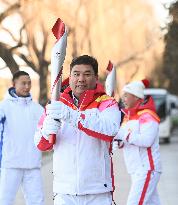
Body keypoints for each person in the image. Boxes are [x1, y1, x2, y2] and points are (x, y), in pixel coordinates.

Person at [34, 55, 121, 205]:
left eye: (87, 74)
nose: (81, 79)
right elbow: (41, 145)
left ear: (96, 78)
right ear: (70, 76)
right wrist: (46, 132)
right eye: (76, 74)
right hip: (64, 192)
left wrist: (71, 116)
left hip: (97, 192)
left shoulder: (107, 103)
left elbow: (110, 130)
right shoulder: (56, 104)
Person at [113, 79, 162, 205]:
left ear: (136, 97)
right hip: (135, 169)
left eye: (126, 95)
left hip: (146, 168)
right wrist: (119, 142)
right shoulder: (128, 117)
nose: (123, 98)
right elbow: (125, 139)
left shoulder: (148, 116)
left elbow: (146, 141)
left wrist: (122, 134)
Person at [0, 71, 44, 205]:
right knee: (4, 201)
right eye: (23, 83)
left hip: (33, 165)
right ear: (14, 84)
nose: (27, 86)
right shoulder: (3, 107)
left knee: (37, 202)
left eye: (29, 83)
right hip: (11, 164)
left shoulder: (38, 109)